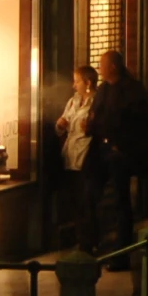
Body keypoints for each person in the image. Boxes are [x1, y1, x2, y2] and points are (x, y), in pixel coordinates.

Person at [88, 50, 148, 260]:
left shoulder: (132, 90)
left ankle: (121, 250)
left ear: (113, 67)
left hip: (121, 153)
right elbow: (97, 114)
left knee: (120, 200)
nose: (100, 68)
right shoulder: (103, 89)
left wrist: (122, 145)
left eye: (102, 64)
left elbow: (141, 123)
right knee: (94, 195)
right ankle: (98, 242)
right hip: (101, 149)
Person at [54, 66, 99, 247]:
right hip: (70, 158)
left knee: (87, 201)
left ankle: (89, 242)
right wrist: (60, 125)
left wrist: (91, 128)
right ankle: (79, 239)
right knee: (74, 202)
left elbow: (100, 128)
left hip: (87, 157)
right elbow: (61, 128)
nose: (74, 85)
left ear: (88, 83)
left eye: (77, 81)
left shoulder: (96, 102)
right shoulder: (73, 101)